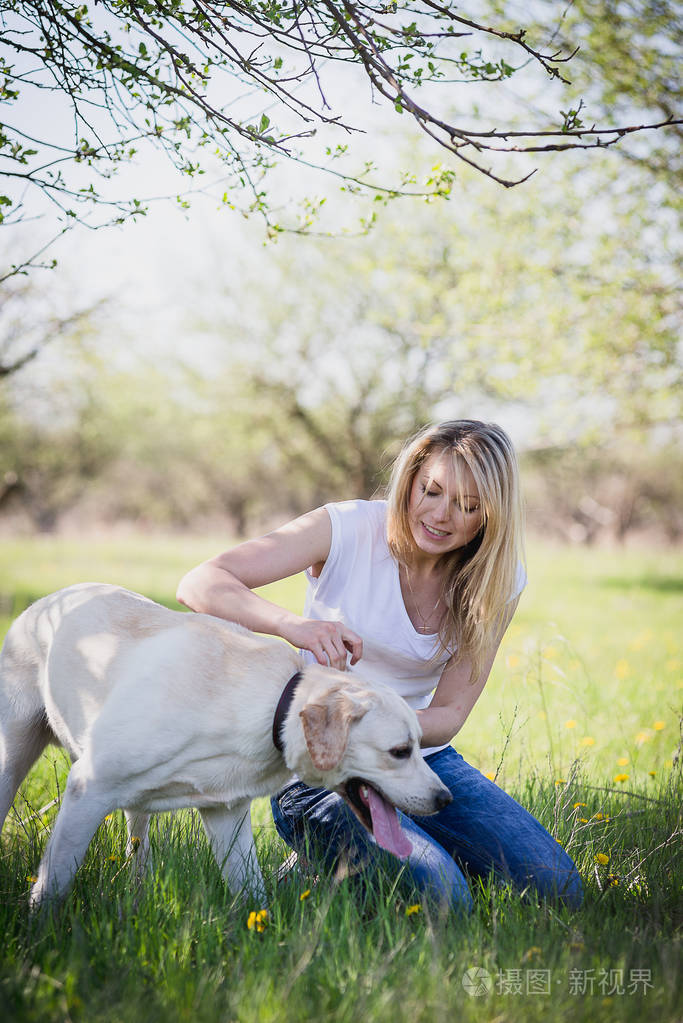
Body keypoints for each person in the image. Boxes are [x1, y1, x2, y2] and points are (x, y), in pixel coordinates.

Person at [176, 420, 583, 911]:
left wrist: (382, 732)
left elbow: (451, 713)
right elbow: (201, 582)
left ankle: (347, 862)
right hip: (323, 765)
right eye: (430, 491)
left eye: (467, 506)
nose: (440, 515)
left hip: (418, 757)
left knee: (558, 888)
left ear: (489, 517)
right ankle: (338, 856)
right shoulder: (346, 527)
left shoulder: (497, 579)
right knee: (444, 899)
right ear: (410, 478)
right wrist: (293, 627)